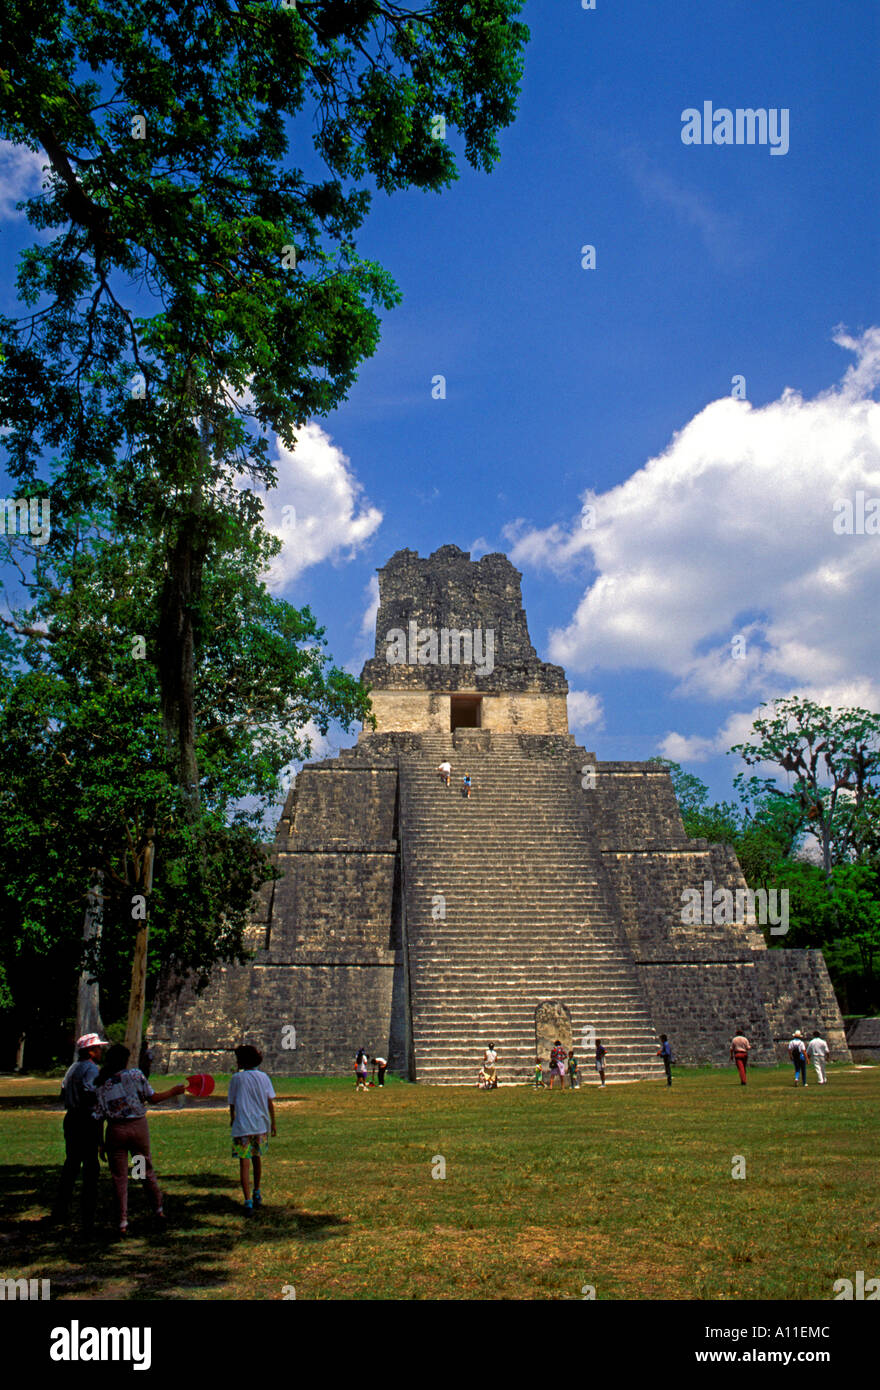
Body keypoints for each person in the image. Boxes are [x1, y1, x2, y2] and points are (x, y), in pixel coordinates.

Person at [94, 1043, 186, 1236]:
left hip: (115, 1131)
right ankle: (158, 1210)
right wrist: (174, 1091)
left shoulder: (101, 1084)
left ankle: (122, 1222)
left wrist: (100, 1143)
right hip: (137, 1129)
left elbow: (99, 1116)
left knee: (119, 1179)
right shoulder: (134, 1075)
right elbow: (152, 1098)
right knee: (142, 1170)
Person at [51, 1032, 108, 1232]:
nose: (101, 1051)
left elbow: (63, 1092)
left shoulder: (72, 1068)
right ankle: (88, 1214)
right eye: (98, 1048)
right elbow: (91, 1093)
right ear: (91, 1052)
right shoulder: (92, 1069)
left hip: (71, 1118)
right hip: (86, 1120)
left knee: (71, 1165)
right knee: (91, 1168)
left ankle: (60, 1209)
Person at [228, 1043, 277, 1214]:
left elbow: (232, 1104)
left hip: (242, 1126)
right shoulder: (264, 1077)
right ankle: (257, 1191)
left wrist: (232, 1119)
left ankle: (247, 1200)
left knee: (244, 1163)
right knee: (257, 1158)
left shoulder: (236, 1078)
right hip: (260, 1125)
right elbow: (270, 1102)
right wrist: (273, 1122)